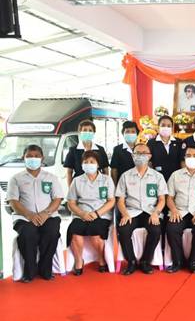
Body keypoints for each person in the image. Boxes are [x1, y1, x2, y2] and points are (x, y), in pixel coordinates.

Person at [6, 144, 64, 282]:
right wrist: (29, 215)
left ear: (42, 158)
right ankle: (30, 271)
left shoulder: (51, 177)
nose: (33, 158)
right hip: (24, 217)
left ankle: (45, 270)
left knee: (52, 231)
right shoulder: (16, 179)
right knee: (28, 234)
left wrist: (46, 213)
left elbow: (57, 199)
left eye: (36, 156)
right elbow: (13, 201)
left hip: (48, 216)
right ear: (23, 158)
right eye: (29, 156)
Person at [115, 143, 168, 275]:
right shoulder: (125, 176)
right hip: (131, 212)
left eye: (144, 153)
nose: (141, 156)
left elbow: (162, 199)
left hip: (150, 212)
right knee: (123, 230)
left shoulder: (157, 176)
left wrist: (156, 213)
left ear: (149, 156)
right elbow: (120, 200)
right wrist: (125, 214)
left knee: (155, 230)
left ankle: (145, 261)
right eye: (138, 153)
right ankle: (131, 262)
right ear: (133, 156)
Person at [165, 144, 195, 274]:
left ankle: (194, 261)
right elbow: (169, 197)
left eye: (194, 155)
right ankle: (178, 261)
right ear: (184, 158)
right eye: (188, 155)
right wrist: (174, 210)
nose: (191, 158)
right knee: (172, 229)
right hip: (179, 211)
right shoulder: (175, 175)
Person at [66, 150, 115, 275]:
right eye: (86, 162)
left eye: (92, 162)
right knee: (75, 232)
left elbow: (111, 201)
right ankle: (79, 260)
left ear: (98, 164)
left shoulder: (106, 180)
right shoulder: (77, 181)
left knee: (95, 233)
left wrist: (96, 213)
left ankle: (101, 258)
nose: (89, 164)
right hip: (81, 213)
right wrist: (82, 214)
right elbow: (71, 202)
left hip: (101, 214)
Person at [64, 119, 110, 186]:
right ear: (80, 132)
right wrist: (70, 188)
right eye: (85, 130)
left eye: (90, 130)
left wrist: (105, 185)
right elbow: (69, 172)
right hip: (79, 185)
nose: (87, 132)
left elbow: (105, 170)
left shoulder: (100, 150)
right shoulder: (73, 150)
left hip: (98, 184)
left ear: (94, 133)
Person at [147, 115, 183, 182]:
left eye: (169, 126)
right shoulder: (151, 143)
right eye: (163, 125)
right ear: (158, 127)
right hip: (157, 179)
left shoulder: (179, 142)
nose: (166, 127)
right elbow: (149, 162)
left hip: (176, 179)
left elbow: (182, 161)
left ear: (172, 128)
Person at [110, 120, 139, 186]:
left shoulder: (141, 149)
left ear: (137, 134)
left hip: (139, 184)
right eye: (127, 131)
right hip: (123, 184)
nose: (130, 134)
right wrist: (115, 186)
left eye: (133, 132)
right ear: (123, 133)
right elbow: (114, 170)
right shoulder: (117, 149)